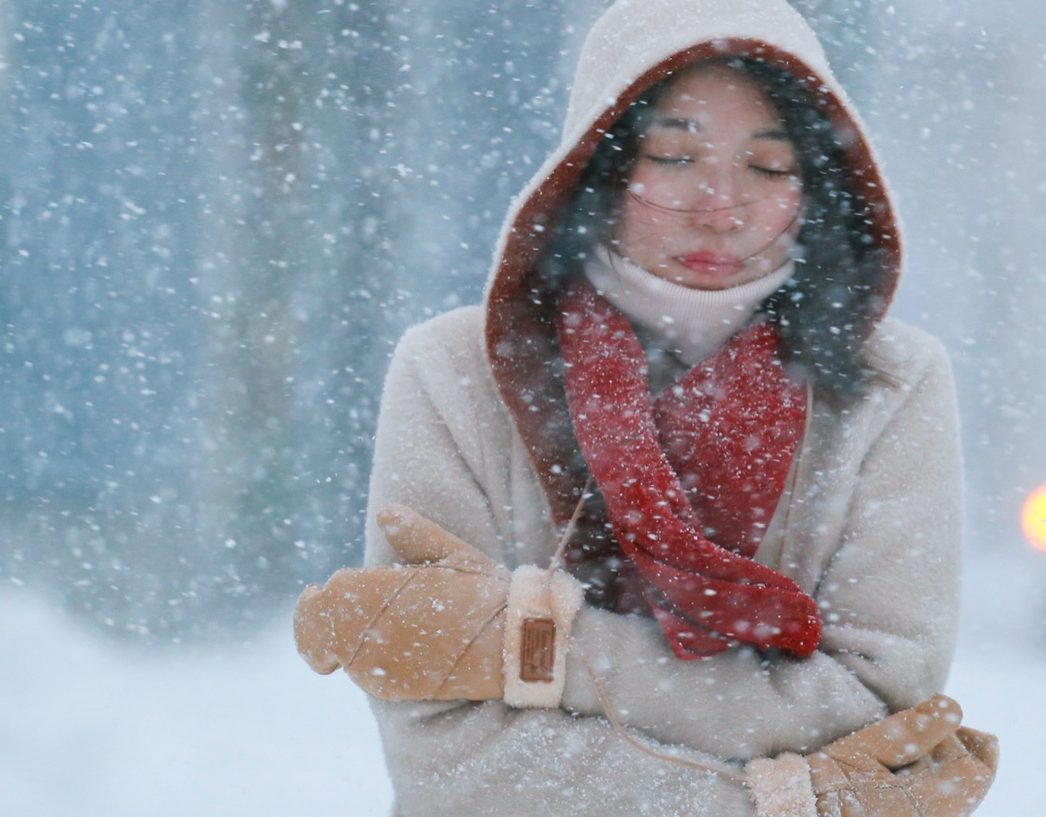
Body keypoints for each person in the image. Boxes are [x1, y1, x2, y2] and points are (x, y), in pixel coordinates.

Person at [292, 0, 997, 814]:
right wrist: (781, 799)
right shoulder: (454, 372)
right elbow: (444, 755)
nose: (721, 205)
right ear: (596, 165)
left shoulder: (891, 386)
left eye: (770, 169)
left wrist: (544, 649)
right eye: (673, 155)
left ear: (817, 191)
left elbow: (878, 702)